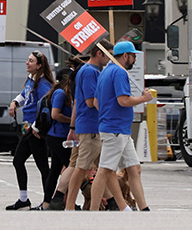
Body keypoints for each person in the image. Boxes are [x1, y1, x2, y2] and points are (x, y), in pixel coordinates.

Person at [89, 40, 155, 212]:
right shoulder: (119, 72)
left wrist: (108, 113)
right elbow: (123, 100)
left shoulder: (106, 71)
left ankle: (144, 208)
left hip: (118, 129)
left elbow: (96, 102)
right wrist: (143, 99)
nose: (134, 60)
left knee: (134, 168)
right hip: (116, 130)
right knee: (104, 171)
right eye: (133, 56)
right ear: (126, 56)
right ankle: (92, 212)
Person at [65, 41, 122, 211]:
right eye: (109, 54)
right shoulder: (90, 72)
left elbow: (79, 101)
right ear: (99, 54)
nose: (111, 58)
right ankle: (69, 206)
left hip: (91, 126)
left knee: (106, 169)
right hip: (91, 126)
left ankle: (113, 204)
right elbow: (91, 102)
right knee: (81, 168)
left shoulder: (90, 71)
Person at [5, 51, 54, 210]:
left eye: (31, 61)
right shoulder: (32, 80)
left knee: (42, 166)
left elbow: (47, 105)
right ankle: (24, 199)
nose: (27, 63)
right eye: (28, 60)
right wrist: (14, 102)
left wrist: (37, 128)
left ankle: (49, 201)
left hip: (35, 130)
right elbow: (25, 95)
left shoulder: (43, 83)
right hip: (28, 127)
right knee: (18, 161)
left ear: (39, 65)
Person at [40, 68, 72, 209]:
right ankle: (66, 201)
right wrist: (72, 121)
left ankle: (48, 203)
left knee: (55, 171)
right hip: (57, 137)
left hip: (59, 136)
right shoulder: (60, 93)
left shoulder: (63, 92)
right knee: (73, 169)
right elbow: (55, 115)